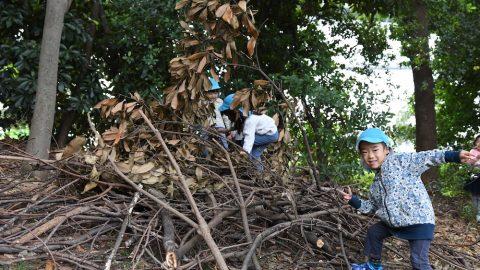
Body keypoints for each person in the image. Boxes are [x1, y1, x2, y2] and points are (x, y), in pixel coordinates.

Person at [338, 128, 477, 270]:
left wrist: (454, 156)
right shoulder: (375, 184)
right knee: (374, 232)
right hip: (395, 223)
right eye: (365, 152)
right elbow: (372, 206)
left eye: (375, 149)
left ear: (386, 149)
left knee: (418, 261)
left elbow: (428, 157)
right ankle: (374, 265)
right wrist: (352, 200)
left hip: (419, 221)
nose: (370, 155)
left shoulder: (401, 161)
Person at [464, 134, 480, 222]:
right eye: (478, 141)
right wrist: (477, 158)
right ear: (475, 143)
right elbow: (469, 164)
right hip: (475, 176)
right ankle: (476, 214)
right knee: (475, 196)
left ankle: (479, 214)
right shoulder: (473, 151)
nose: (479, 143)